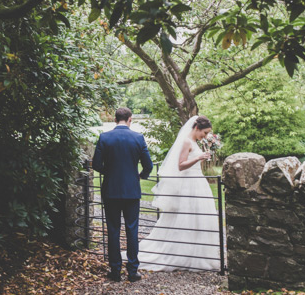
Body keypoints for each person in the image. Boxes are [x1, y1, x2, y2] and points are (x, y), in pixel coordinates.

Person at [137, 115, 221, 271]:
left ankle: (198, 253)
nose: (206, 136)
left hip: (198, 182)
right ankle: (182, 252)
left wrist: (201, 157)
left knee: (199, 218)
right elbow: (181, 165)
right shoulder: (186, 142)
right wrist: (199, 158)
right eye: (205, 132)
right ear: (197, 128)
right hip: (189, 184)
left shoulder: (194, 142)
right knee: (186, 218)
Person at [92, 107, 154, 283]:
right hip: (132, 191)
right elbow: (148, 165)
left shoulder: (104, 137)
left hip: (110, 190)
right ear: (130, 119)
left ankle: (115, 270)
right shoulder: (138, 138)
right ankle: (133, 271)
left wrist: (109, 173)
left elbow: (96, 164)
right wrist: (140, 176)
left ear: (115, 119)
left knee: (113, 230)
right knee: (132, 229)